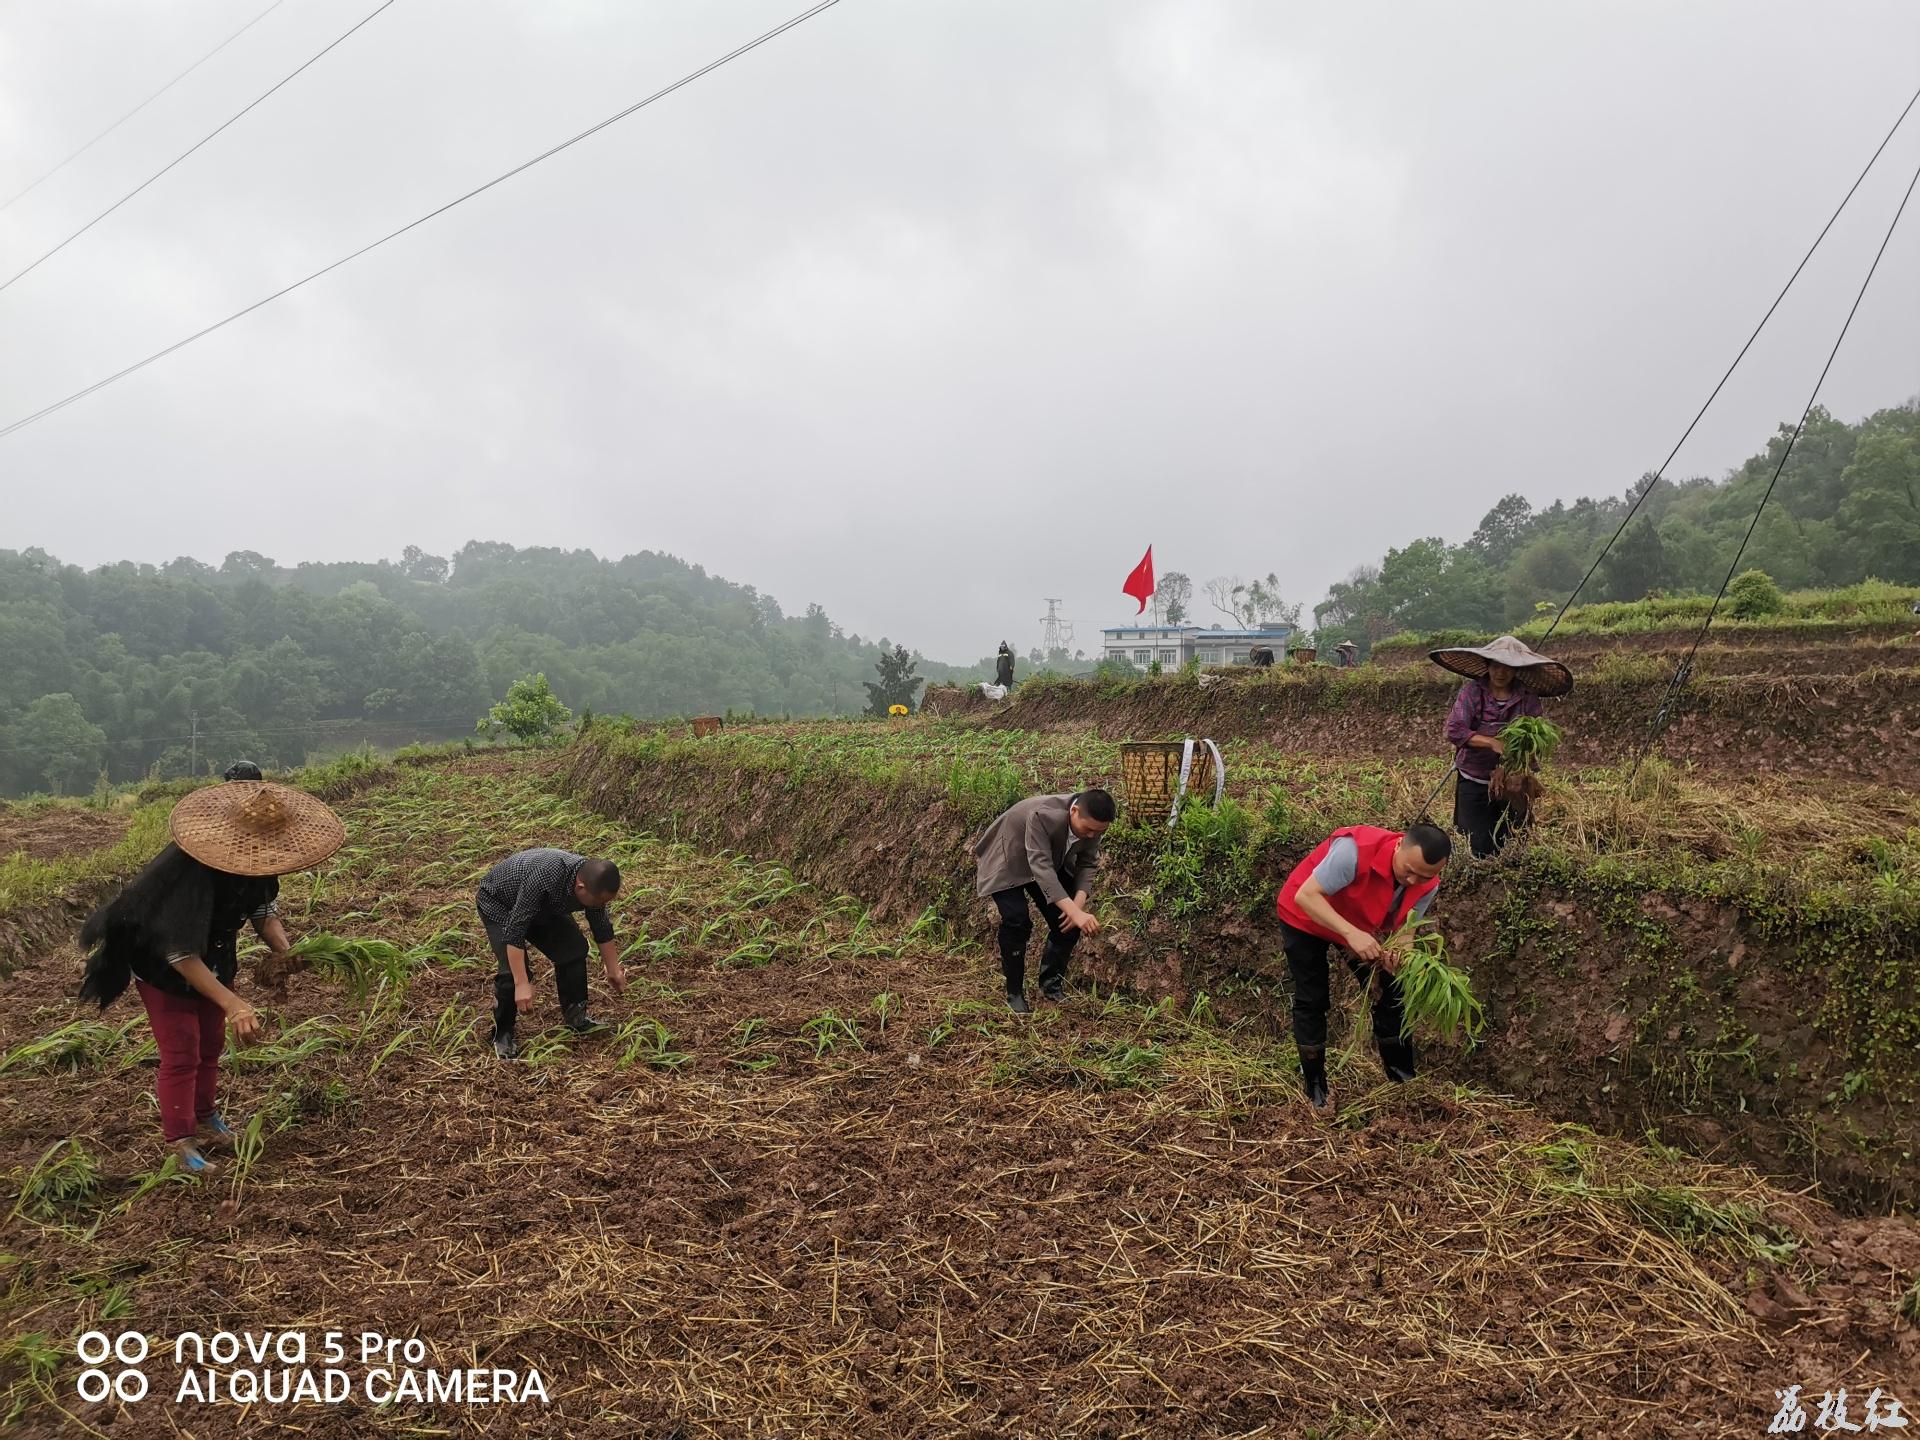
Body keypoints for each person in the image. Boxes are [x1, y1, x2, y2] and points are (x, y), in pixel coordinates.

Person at [77, 781, 345, 1173]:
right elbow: (180, 954)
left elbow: (263, 914)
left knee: (211, 1043)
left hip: (216, 954)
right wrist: (234, 1003)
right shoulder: (193, 875)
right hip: (163, 964)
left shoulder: (262, 865)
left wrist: (285, 952)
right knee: (182, 1049)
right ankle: (181, 1140)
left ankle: (206, 1117)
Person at [1275, 823, 1453, 1112]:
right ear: (1398, 846)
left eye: (1424, 876)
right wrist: (1351, 934)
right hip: (1306, 916)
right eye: (1408, 870)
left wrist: (1401, 950)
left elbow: (1407, 929)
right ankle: (1316, 1088)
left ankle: (1402, 1079)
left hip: (1356, 923)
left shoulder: (1427, 884)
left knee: (1391, 993)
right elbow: (1306, 897)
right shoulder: (1353, 852)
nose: (1412, 880)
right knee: (1313, 997)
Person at [477, 848, 627, 1058]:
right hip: (500, 903)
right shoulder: (546, 876)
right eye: (600, 902)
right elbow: (515, 931)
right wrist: (522, 984)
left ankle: (576, 1017)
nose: (602, 906)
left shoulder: (591, 884)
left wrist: (613, 968)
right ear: (580, 886)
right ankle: (502, 1034)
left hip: (540, 907)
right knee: (512, 973)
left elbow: (601, 925)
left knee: (573, 949)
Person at [1432, 635, 1573, 858]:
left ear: (1517, 670)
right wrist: (1491, 742)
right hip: (1474, 776)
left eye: (1508, 667)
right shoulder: (1473, 692)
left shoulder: (1527, 698)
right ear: (1487, 666)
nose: (1501, 673)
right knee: (1476, 841)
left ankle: (1508, 881)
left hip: (1513, 782)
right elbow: (1455, 730)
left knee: (1513, 838)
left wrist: (1506, 767)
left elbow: (1531, 739)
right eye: (1496, 666)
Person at [973, 789, 1114, 1012]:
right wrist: (1076, 913)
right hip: (1008, 859)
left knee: (1066, 925)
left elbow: (1087, 864)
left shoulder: (1093, 826)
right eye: (1088, 829)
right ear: (1074, 811)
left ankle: (1051, 987)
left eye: (1098, 832)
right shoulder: (1044, 814)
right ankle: (1014, 994)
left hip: (1045, 861)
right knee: (1017, 920)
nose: (1091, 836)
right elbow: (1041, 868)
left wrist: (1076, 908)